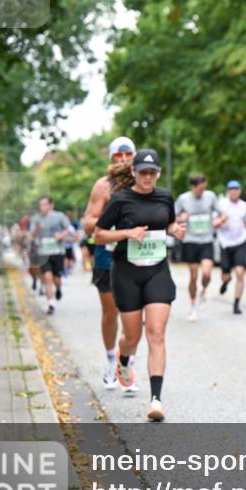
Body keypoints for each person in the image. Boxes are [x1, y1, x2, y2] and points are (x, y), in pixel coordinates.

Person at [94, 149, 186, 421]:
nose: (148, 177)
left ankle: (156, 400)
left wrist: (176, 230)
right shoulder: (120, 199)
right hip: (126, 273)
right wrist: (127, 233)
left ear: (158, 174)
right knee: (132, 338)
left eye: (152, 173)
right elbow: (98, 235)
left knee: (156, 333)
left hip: (157, 270)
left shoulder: (165, 197)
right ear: (134, 172)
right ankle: (123, 359)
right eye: (143, 172)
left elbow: (169, 223)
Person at [82, 136, 137, 389]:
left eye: (128, 154)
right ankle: (109, 359)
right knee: (111, 312)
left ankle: (126, 363)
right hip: (107, 255)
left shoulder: (142, 182)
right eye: (118, 155)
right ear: (111, 158)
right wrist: (113, 221)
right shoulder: (103, 185)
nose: (123, 159)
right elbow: (88, 223)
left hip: (135, 255)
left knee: (133, 313)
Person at [174, 175, 219, 322]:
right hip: (190, 241)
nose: (202, 191)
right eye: (200, 189)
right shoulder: (183, 199)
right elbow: (172, 217)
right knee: (193, 276)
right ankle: (193, 306)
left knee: (206, 273)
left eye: (204, 188)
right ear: (192, 187)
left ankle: (204, 289)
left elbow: (222, 214)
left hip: (207, 240)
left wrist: (219, 221)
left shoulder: (211, 196)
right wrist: (180, 218)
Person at [214, 180, 246, 315]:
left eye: (236, 189)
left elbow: (245, 222)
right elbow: (214, 222)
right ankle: (225, 282)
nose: (234, 192)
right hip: (225, 243)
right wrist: (221, 222)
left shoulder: (244, 206)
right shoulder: (221, 204)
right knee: (226, 275)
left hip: (240, 242)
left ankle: (236, 303)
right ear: (228, 191)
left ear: (240, 191)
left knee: (240, 272)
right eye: (231, 189)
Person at [30, 196, 70, 314]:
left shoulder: (59, 216)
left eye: (45, 204)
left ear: (51, 205)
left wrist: (61, 236)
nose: (42, 207)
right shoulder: (36, 218)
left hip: (58, 251)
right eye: (40, 205)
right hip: (43, 252)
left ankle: (58, 287)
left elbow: (68, 229)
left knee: (56, 278)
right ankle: (51, 304)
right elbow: (32, 235)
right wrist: (36, 229)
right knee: (47, 277)